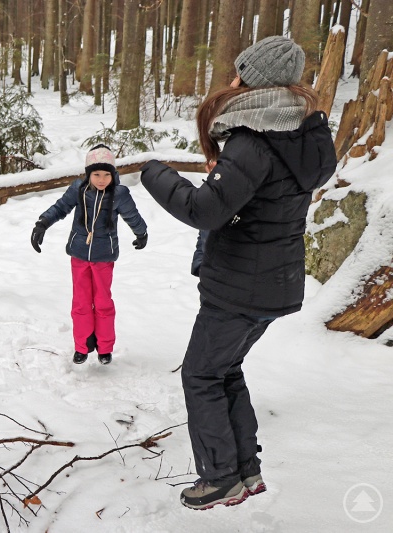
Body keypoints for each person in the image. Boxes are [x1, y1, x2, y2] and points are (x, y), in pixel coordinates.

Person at [140, 36, 337, 510]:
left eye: (239, 71)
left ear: (253, 79)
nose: (231, 80)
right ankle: (245, 470)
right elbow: (246, 204)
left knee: (201, 376)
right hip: (273, 283)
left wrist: (153, 172)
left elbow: (204, 211)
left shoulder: (253, 139)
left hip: (239, 288)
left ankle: (220, 476)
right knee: (224, 370)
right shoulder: (298, 135)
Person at [30, 144, 148, 365]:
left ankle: (104, 347)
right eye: (96, 174)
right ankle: (82, 346)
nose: (101, 179)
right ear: (88, 174)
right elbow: (61, 207)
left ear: (113, 174)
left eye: (106, 174)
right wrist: (43, 223)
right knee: (81, 303)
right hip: (79, 254)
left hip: (104, 256)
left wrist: (141, 233)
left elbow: (132, 216)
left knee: (103, 302)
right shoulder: (78, 190)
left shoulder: (119, 194)